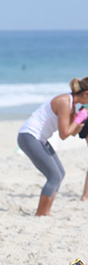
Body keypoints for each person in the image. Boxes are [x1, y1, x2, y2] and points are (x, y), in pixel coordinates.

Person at [17, 77, 88, 215]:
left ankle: (45, 212)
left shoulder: (72, 105)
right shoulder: (64, 102)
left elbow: (72, 132)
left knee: (60, 173)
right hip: (29, 136)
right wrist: (78, 119)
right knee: (54, 175)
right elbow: (64, 134)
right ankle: (40, 214)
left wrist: (79, 122)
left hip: (39, 138)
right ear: (86, 94)